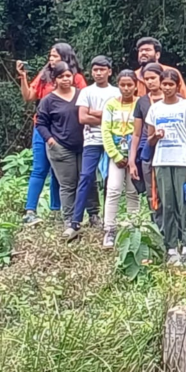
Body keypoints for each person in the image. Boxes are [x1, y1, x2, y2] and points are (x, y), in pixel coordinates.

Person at [17, 43, 86, 224]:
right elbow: (28, 96)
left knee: (59, 173)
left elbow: (85, 104)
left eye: (55, 56)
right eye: (50, 56)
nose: (51, 59)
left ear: (65, 57)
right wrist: (23, 78)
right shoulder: (44, 75)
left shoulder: (77, 78)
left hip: (65, 132)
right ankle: (30, 211)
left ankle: (57, 210)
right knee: (39, 169)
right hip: (43, 129)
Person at [146, 68, 186, 266]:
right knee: (167, 205)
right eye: (165, 84)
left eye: (171, 84)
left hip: (182, 161)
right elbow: (149, 140)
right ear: (160, 85)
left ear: (178, 86)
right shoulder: (155, 109)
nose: (167, 87)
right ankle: (171, 247)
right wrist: (156, 136)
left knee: (184, 205)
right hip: (162, 161)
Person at [35, 62, 89, 238]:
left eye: (68, 75)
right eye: (61, 76)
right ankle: (69, 220)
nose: (65, 79)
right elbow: (40, 123)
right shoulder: (48, 100)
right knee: (68, 185)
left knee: (87, 181)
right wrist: (51, 141)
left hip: (84, 146)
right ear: (55, 79)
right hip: (61, 147)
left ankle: (91, 215)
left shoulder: (82, 95)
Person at [67, 55, 119, 238]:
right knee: (86, 177)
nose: (98, 73)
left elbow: (118, 118)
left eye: (102, 69)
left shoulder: (116, 92)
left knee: (110, 181)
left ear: (109, 71)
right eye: (95, 70)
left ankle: (108, 221)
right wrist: (106, 116)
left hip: (112, 141)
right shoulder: (86, 92)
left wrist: (94, 113)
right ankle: (75, 221)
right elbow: (82, 118)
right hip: (91, 140)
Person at [101, 70, 141, 248]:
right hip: (116, 153)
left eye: (129, 85)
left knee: (133, 191)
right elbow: (105, 131)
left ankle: (134, 228)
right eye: (122, 85)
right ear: (118, 85)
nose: (126, 88)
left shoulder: (140, 103)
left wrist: (134, 156)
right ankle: (109, 229)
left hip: (134, 153)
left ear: (135, 86)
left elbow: (142, 130)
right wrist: (115, 155)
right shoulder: (111, 104)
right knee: (113, 189)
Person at [129, 63, 165, 229]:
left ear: (161, 78)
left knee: (169, 193)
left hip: (170, 151)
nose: (150, 82)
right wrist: (131, 160)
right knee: (152, 192)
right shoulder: (142, 102)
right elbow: (136, 133)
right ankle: (157, 229)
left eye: (153, 78)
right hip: (148, 151)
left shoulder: (175, 98)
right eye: (147, 79)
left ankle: (174, 231)